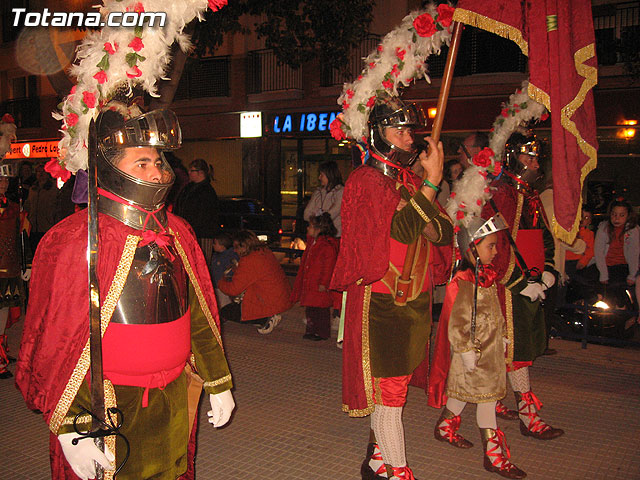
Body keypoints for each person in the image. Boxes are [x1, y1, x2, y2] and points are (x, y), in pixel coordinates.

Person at [16, 100, 235, 480]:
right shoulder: (73, 240)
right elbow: (56, 343)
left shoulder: (178, 231)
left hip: (173, 398)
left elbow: (199, 316)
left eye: (158, 162)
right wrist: (73, 426)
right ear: (109, 168)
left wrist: (218, 382)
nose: (157, 173)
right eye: (142, 163)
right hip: (112, 408)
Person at [331, 94, 453, 480]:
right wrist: (431, 185)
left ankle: (379, 461)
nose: (406, 136)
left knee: (396, 389)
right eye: (397, 129)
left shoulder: (408, 180)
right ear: (378, 133)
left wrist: (423, 198)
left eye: (409, 129)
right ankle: (398, 470)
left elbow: (443, 231)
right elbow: (402, 230)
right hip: (382, 302)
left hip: (414, 300)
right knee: (391, 395)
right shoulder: (365, 180)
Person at [480, 132, 564, 439]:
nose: (533, 163)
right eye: (528, 157)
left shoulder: (531, 197)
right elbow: (494, 248)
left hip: (531, 284)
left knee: (516, 352)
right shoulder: (500, 194)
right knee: (513, 353)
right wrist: (517, 282)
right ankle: (528, 416)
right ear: (513, 156)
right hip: (507, 288)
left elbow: (543, 239)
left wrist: (549, 271)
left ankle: (494, 403)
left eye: (536, 158)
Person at [430, 214, 526, 479]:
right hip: (474, 357)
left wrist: (503, 335)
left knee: (461, 394)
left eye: (495, 246)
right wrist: (465, 351)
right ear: (471, 247)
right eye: (490, 246)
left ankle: (444, 427)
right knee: (487, 402)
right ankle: (494, 457)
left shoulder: (486, 277)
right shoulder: (464, 282)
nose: (495, 252)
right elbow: (457, 323)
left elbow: (494, 312)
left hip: (490, 352)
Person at [217, 229, 292, 334]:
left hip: (268, 301)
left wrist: (220, 282)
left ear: (243, 247)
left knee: (226, 312)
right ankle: (267, 315)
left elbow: (233, 290)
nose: (234, 251)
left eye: (236, 247)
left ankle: (265, 319)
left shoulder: (249, 260)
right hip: (280, 297)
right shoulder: (263, 251)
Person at [0, 164, 30, 379]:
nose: (3, 183)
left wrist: (25, 264)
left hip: (8, 266)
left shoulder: (12, 206)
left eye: (4, 180)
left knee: (4, 311)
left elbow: (22, 237)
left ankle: (1, 351)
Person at [291, 212, 340, 341]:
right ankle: (312, 330)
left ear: (319, 229)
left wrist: (324, 283)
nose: (308, 228)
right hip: (312, 282)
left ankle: (322, 332)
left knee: (321, 310)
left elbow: (328, 266)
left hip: (318, 283)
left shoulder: (326, 246)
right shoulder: (315, 242)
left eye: (310, 226)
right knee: (311, 308)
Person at [591, 198, 639, 302]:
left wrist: (632, 274)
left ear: (628, 216)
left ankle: (624, 308)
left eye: (622, 215)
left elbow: (634, 254)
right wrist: (603, 273)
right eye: (614, 214)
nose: (617, 219)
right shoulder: (604, 228)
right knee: (588, 281)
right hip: (604, 265)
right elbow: (598, 251)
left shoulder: (633, 231)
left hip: (622, 266)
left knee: (616, 285)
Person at [174, 158, 219, 262]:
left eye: (192, 170)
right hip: (189, 232)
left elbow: (205, 215)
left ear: (200, 173)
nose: (189, 173)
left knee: (201, 262)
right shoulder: (189, 188)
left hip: (201, 234)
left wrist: (191, 228)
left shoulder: (207, 191)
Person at [304, 160, 344, 237]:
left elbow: (332, 214)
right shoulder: (318, 192)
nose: (319, 178)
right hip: (318, 236)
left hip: (334, 236)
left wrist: (316, 218)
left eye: (322, 175)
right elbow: (306, 214)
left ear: (330, 175)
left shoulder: (340, 192)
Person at [24, 163, 58, 252]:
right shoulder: (33, 189)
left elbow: (57, 208)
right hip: (33, 228)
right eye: (38, 172)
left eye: (43, 172)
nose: (40, 174)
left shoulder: (54, 189)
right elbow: (28, 206)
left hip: (47, 227)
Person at [209, 230, 239, 309]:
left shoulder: (230, 257)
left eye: (215, 243)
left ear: (222, 246)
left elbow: (232, 272)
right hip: (216, 286)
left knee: (225, 307)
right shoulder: (216, 256)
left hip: (225, 288)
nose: (213, 245)